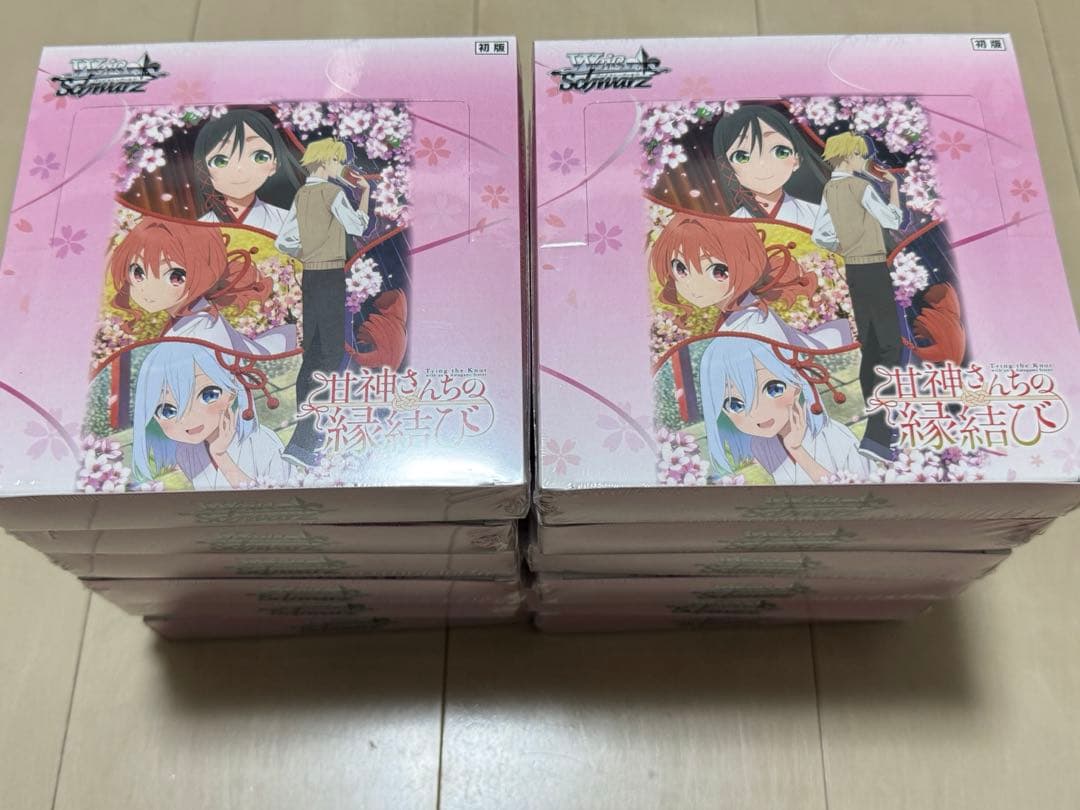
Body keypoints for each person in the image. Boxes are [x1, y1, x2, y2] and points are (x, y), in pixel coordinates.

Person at [275, 137, 372, 467]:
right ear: (325, 161)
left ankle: (301, 442)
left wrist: (308, 252)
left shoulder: (302, 195)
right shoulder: (333, 193)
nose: (339, 167)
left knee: (313, 354)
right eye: (337, 161)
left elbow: (284, 241)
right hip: (330, 276)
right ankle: (307, 441)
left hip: (310, 277)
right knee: (331, 355)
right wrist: (365, 194)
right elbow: (358, 226)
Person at [811, 131, 906, 461]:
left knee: (871, 347)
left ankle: (876, 433)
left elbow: (821, 235)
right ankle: (879, 435)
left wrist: (845, 247)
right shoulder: (860, 187)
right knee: (890, 347)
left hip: (854, 270)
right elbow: (893, 220)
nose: (863, 160)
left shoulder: (831, 188)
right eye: (860, 154)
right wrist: (892, 188)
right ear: (849, 155)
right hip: (874, 268)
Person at [649, 213, 850, 349]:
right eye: (680, 268)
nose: (694, 285)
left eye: (718, 271)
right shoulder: (738, 311)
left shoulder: (753, 325)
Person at [699, 334, 873, 484]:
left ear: (796, 384)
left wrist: (797, 451)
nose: (756, 413)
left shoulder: (835, 438)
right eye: (735, 405)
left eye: (774, 389)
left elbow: (856, 490)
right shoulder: (761, 444)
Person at [108, 217, 296, 354]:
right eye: (138, 273)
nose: (150, 289)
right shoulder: (191, 315)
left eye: (176, 276)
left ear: (206, 273)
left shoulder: (201, 331)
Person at [132, 341, 290, 490]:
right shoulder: (185, 452)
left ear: (232, 391)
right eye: (168, 411)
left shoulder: (263, 443)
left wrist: (221, 456)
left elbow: (274, 496)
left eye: (208, 395)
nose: (187, 418)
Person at [713, 105, 830, 229]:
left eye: (780, 151)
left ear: (797, 159)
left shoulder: (819, 217)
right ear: (727, 167)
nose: (762, 164)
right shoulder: (730, 228)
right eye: (741, 157)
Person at [193, 108, 305, 234]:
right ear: (203, 168)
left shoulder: (289, 223)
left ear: (275, 164)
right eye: (220, 161)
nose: (239, 169)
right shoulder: (199, 230)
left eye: (259, 157)